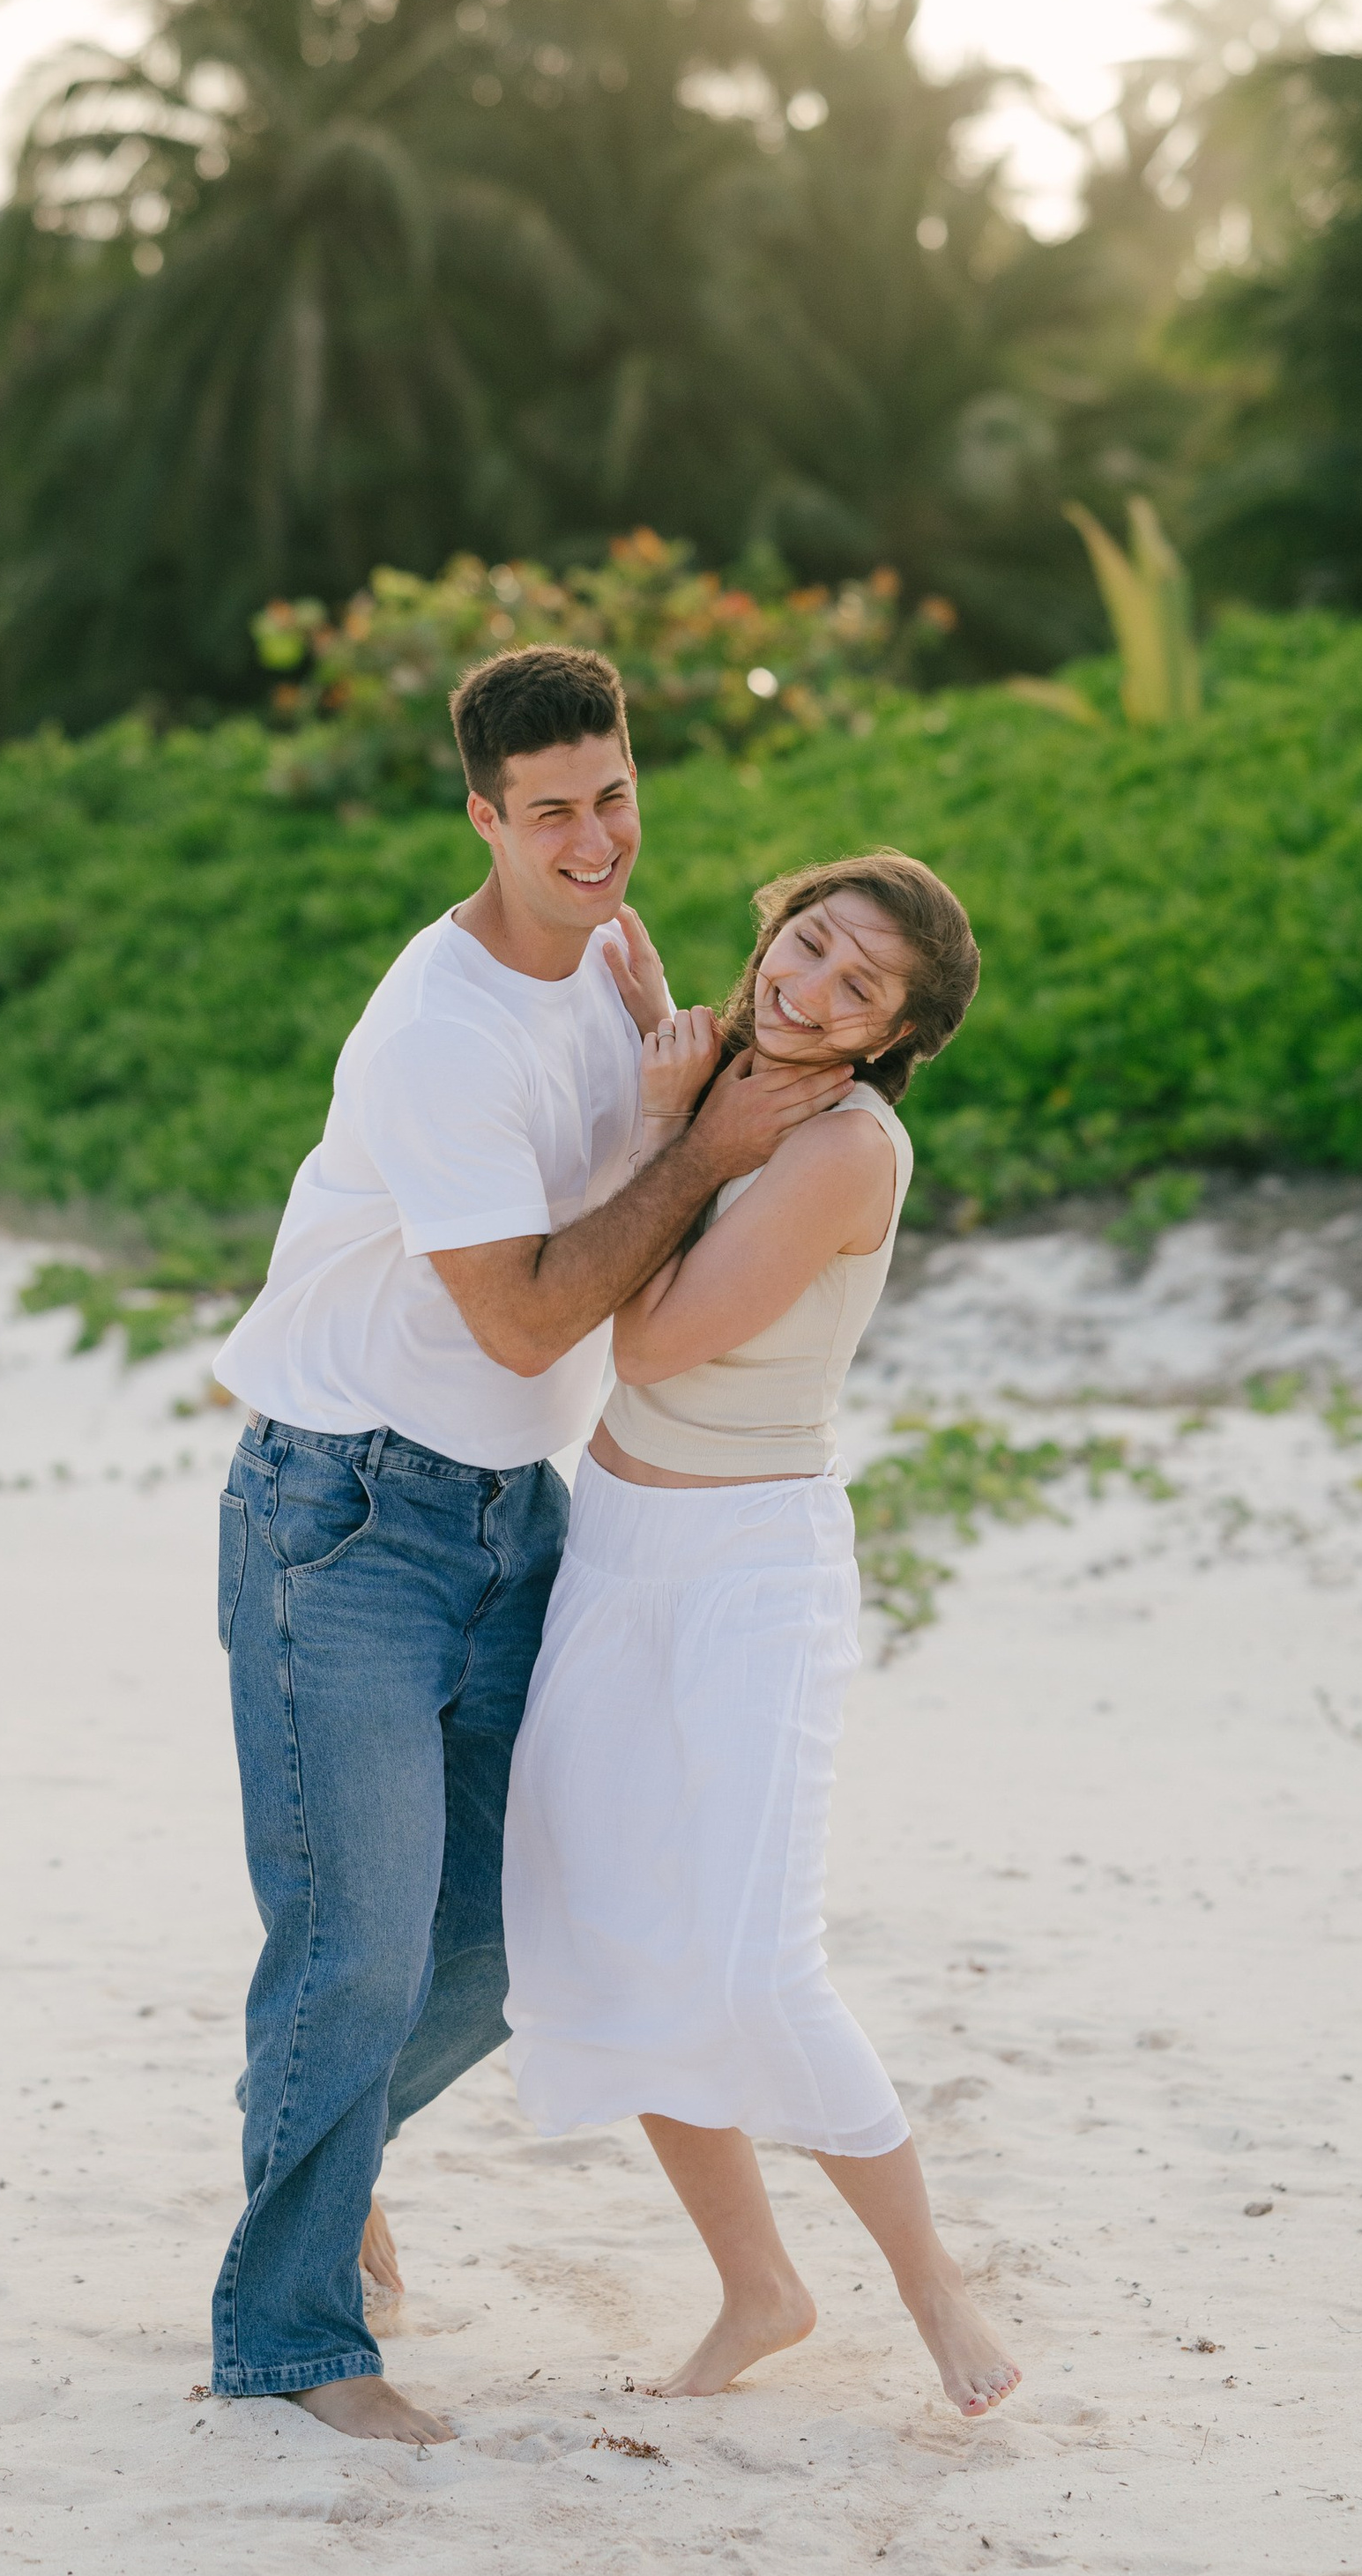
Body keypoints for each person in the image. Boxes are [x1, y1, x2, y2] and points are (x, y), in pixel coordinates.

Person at [208, 648, 853, 2446]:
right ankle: (292, 2339)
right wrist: (702, 1130)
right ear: (480, 815)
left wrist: (712, 1107)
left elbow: (657, 1225)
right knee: (356, 1947)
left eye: (614, 794)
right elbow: (521, 1316)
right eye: (551, 808)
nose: (593, 836)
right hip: (340, 1519)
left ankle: (301, 2138)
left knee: (508, 1939)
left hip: (515, 1516)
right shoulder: (439, 1032)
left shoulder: (612, 967)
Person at [502, 851, 1024, 2418]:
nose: (809, 987)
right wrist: (661, 1049)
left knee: (754, 1961)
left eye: (857, 986)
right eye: (806, 945)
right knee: (608, 1934)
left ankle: (934, 2288)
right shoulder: (720, 1061)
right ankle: (762, 2288)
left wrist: (667, 1128)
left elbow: (649, 1331)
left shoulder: (847, 1147)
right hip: (611, 1543)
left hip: (751, 1565)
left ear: (886, 1036)